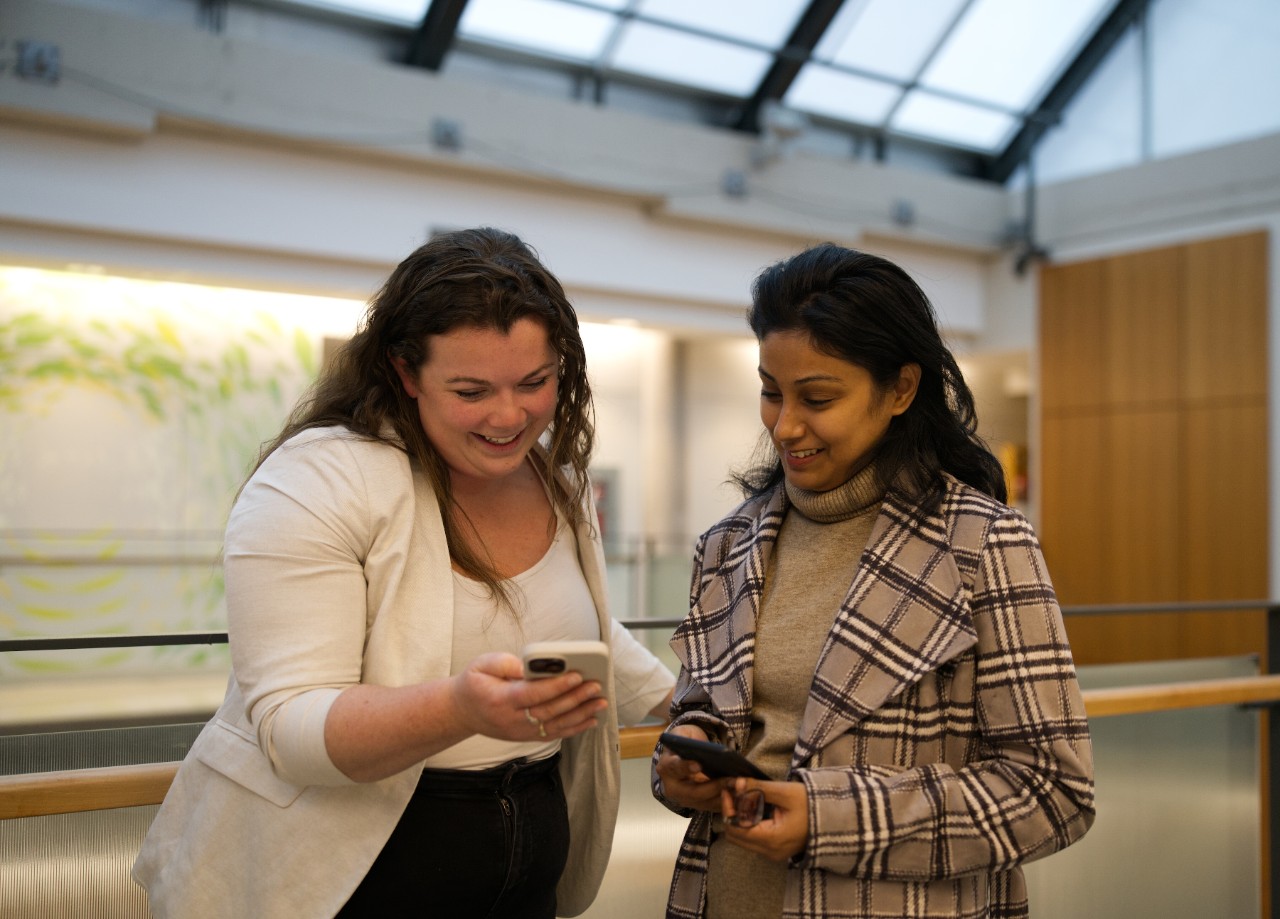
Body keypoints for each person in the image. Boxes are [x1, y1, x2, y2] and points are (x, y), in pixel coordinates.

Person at [133, 227, 675, 919]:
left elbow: (569, 624)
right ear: (405, 372)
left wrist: (683, 704)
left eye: (535, 382)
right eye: (471, 390)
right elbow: (291, 725)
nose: (510, 416)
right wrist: (458, 708)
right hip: (346, 872)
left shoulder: (555, 475)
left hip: (523, 859)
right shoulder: (320, 479)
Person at [652, 243, 1094, 919]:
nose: (785, 425)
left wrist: (831, 818)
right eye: (771, 391)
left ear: (901, 389)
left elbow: (1051, 792)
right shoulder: (728, 543)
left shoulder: (981, 543)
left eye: (818, 396)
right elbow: (705, 710)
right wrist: (690, 763)